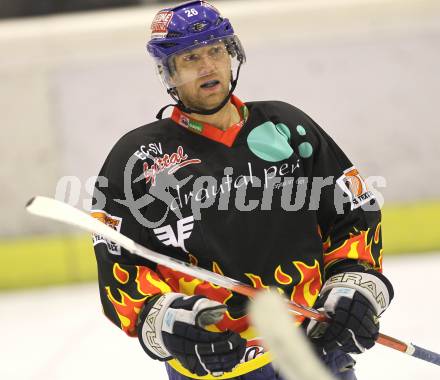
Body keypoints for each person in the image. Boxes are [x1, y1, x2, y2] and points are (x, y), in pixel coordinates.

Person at [91, 1, 394, 379]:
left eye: (216, 50)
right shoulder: (137, 159)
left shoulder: (288, 128)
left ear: (232, 54)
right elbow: (120, 264)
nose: (208, 66)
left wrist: (355, 289)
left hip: (314, 354)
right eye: (190, 58)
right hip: (217, 365)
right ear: (168, 72)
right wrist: (169, 322)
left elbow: (353, 214)